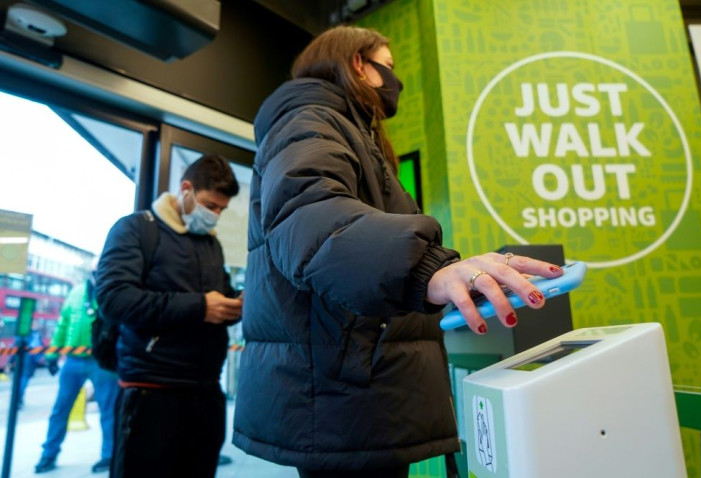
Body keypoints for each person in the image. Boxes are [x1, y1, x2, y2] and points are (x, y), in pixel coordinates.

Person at [232, 25, 564, 478]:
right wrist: (427, 268)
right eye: (387, 67)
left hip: (356, 394)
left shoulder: (343, 129)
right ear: (356, 63)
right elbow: (309, 216)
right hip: (346, 395)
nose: (395, 80)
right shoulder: (309, 119)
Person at [95, 154, 243, 478]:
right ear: (186, 189)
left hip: (205, 391)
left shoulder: (210, 245)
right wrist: (201, 307)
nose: (215, 215)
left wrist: (235, 305)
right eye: (210, 205)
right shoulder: (135, 229)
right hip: (150, 391)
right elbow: (113, 298)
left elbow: (218, 299)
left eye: (221, 209)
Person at [34, 277, 118, 474]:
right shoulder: (76, 292)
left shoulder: (112, 289)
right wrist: (52, 354)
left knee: (108, 410)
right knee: (60, 409)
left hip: (102, 360)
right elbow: (63, 323)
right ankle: (48, 454)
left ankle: (109, 455)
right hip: (73, 359)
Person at [14, 326, 44, 409]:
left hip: (22, 359)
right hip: (29, 360)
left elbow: (16, 345)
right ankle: (18, 399)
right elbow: (39, 348)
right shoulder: (35, 334)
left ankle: (17, 399)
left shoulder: (23, 333)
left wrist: (10, 361)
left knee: (20, 380)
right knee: (24, 380)